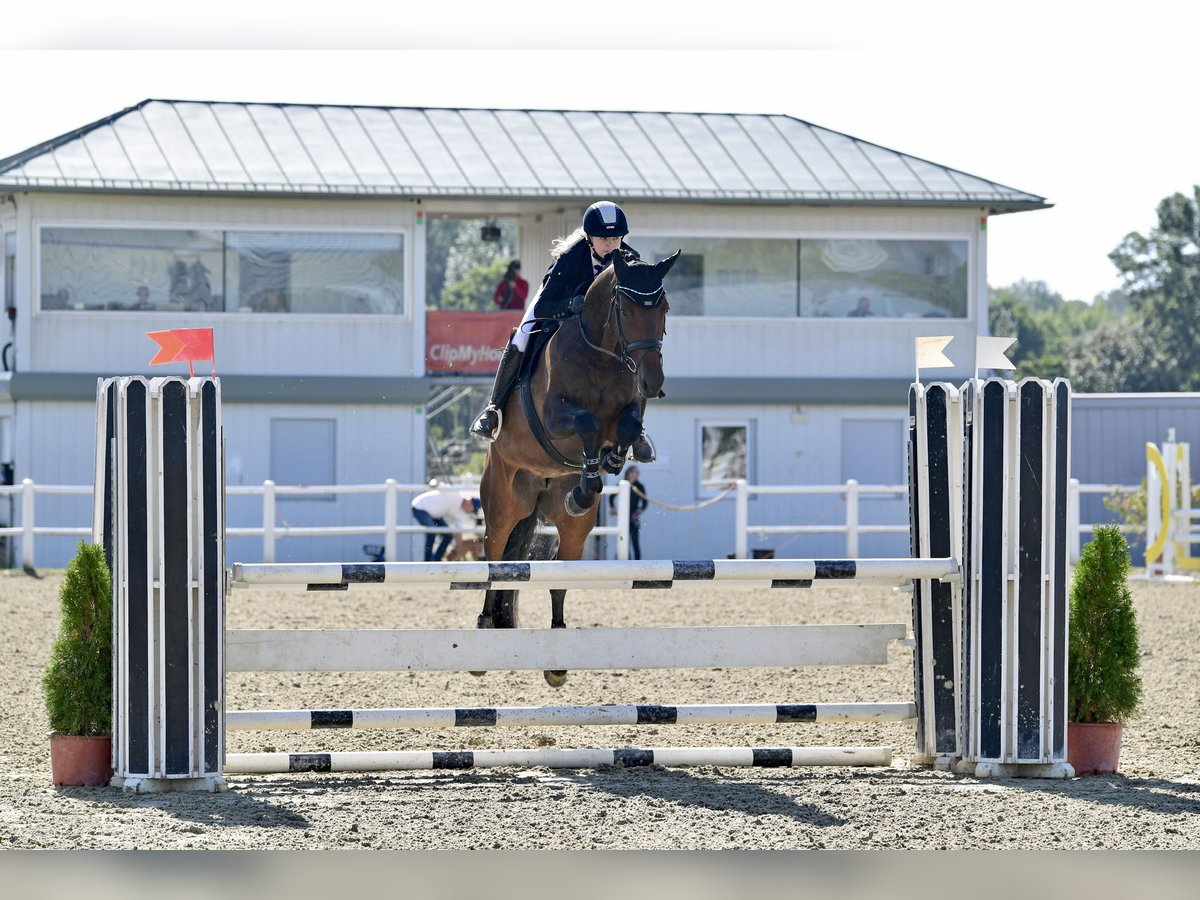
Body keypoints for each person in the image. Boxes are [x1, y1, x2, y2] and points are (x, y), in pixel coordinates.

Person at [469, 200, 656, 463]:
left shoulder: (629, 259)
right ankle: (493, 409)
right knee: (521, 337)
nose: (612, 245)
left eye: (616, 238)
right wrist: (570, 305)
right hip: (560, 311)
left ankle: (637, 431)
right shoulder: (571, 258)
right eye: (604, 239)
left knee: (639, 347)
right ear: (590, 238)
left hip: (604, 331)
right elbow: (546, 305)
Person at [411, 488, 480, 562]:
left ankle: (436, 560)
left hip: (435, 515)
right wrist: (434, 483)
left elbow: (459, 533)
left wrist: (457, 551)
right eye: (472, 510)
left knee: (448, 536)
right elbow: (440, 486)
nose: (470, 512)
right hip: (420, 507)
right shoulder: (455, 494)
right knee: (432, 532)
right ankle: (427, 561)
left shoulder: (460, 513)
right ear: (469, 502)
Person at [609, 466, 649, 560]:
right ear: (629, 473)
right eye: (635, 472)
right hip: (623, 518)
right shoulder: (622, 484)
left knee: (635, 542)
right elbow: (611, 496)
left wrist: (640, 510)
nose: (637, 475)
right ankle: (625, 563)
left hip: (634, 518)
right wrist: (612, 508)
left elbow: (645, 502)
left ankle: (638, 564)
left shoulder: (639, 486)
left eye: (638, 473)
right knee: (623, 540)